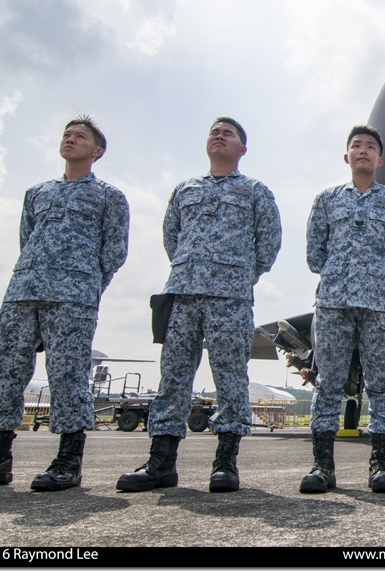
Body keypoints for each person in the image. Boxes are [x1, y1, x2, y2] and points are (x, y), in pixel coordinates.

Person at [0, 116, 129, 491]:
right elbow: (27, 239)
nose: (70, 139)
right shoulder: (37, 192)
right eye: (66, 135)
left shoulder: (109, 197)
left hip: (73, 296)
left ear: (97, 151)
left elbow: (114, 253)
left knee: (68, 374)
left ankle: (68, 459)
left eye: (79, 136)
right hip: (23, 291)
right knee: (4, 372)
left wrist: (84, 287)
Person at [116, 117, 282, 493]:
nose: (219, 135)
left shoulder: (255, 191)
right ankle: (161, 463)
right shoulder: (184, 189)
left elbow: (268, 245)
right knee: (173, 375)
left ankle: (225, 462)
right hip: (183, 292)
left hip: (230, 296)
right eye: (214, 131)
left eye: (229, 133)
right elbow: (171, 237)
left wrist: (234, 275)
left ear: (242, 149)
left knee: (230, 377)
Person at [300, 125, 385, 494]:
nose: (363, 151)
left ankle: (380, 466)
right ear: (346, 156)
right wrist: (341, 276)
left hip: (379, 306)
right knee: (328, 384)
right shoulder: (327, 199)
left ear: (381, 159)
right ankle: (323, 466)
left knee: (382, 385)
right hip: (333, 304)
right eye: (356, 146)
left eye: (370, 147)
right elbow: (315, 254)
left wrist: (376, 277)